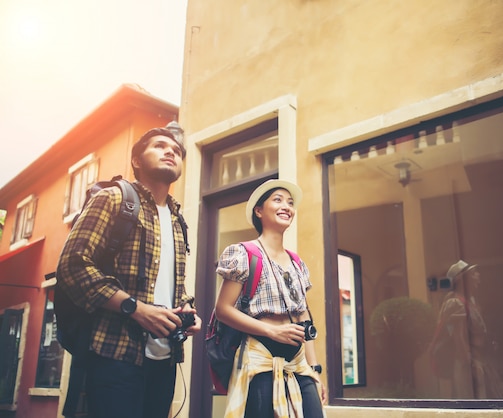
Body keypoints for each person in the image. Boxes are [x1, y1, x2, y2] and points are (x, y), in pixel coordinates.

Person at [56, 125, 202, 418]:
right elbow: (73, 265)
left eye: (176, 151)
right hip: (115, 354)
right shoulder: (112, 198)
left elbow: (171, 283)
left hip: (165, 357)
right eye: (160, 146)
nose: (171, 151)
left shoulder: (178, 220)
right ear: (136, 160)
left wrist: (186, 308)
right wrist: (135, 309)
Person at [215, 179, 327, 418]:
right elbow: (223, 309)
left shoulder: (297, 263)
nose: (286, 206)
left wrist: (314, 368)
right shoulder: (243, 254)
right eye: (277, 200)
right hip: (259, 358)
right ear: (259, 211)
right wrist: (271, 331)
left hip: (297, 362)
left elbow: (303, 317)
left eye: (290, 202)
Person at [436, 260, 501, 399]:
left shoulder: (470, 301)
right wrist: (469, 364)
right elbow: (457, 336)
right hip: (467, 362)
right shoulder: (455, 303)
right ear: (463, 280)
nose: (478, 276)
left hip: (479, 359)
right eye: (473, 274)